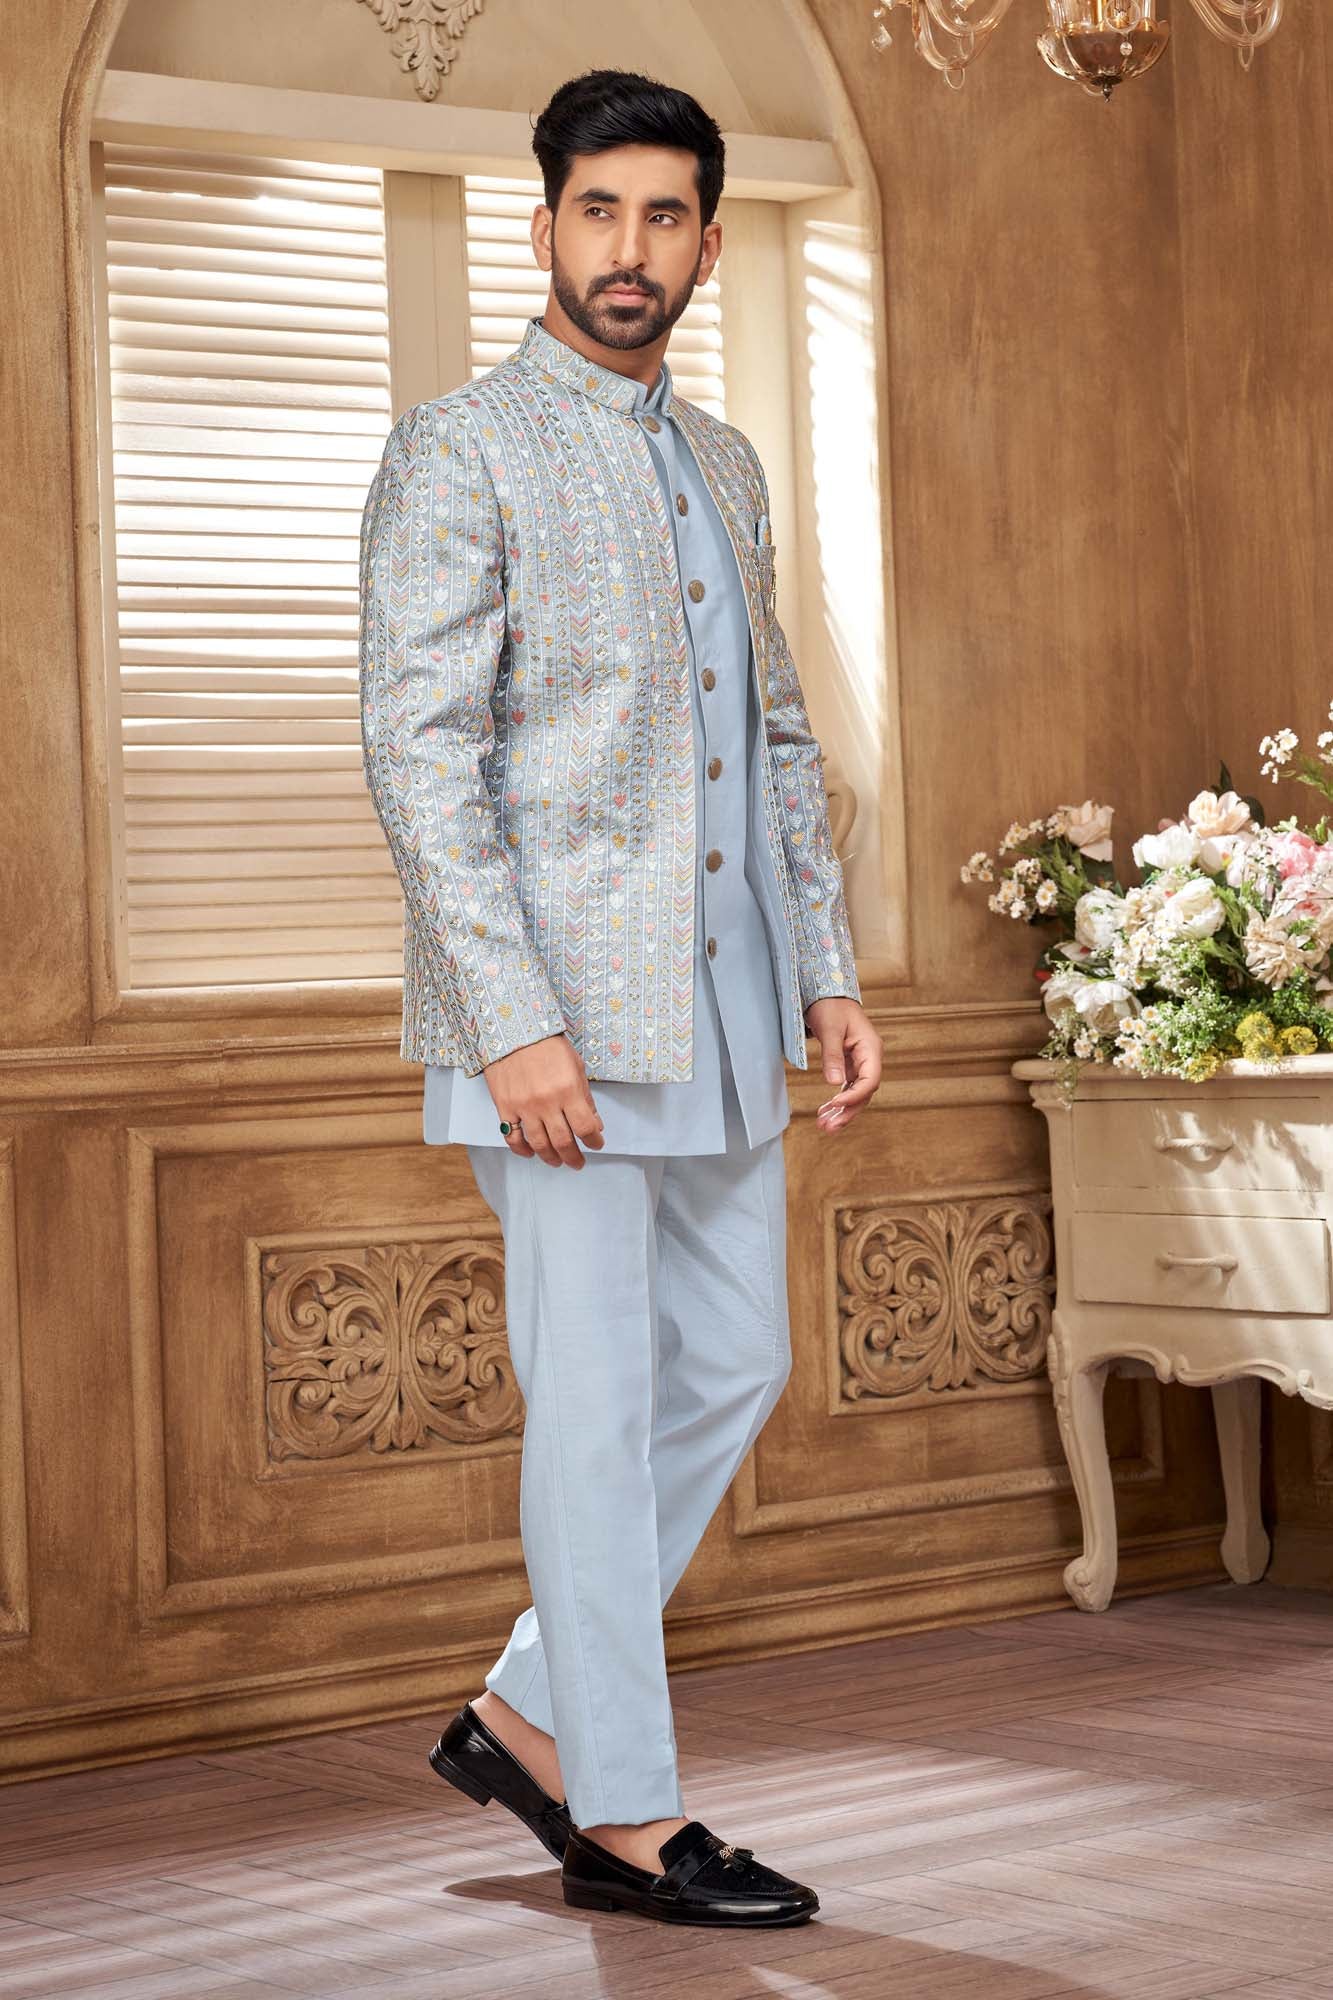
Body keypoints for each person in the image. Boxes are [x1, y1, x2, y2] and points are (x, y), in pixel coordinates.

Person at [359, 66, 883, 1927]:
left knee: (735, 1361)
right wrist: (513, 1024)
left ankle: (525, 1710)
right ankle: (625, 1816)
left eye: (664, 215)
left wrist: (825, 974)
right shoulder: (461, 449)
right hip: (555, 1034)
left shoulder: (723, 463)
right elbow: (420, 757)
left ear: (708, 245)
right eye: (599, 211)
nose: (629, 247)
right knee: (589, 1411)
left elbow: (779, 737)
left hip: (724, 1016)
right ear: (545, 229)